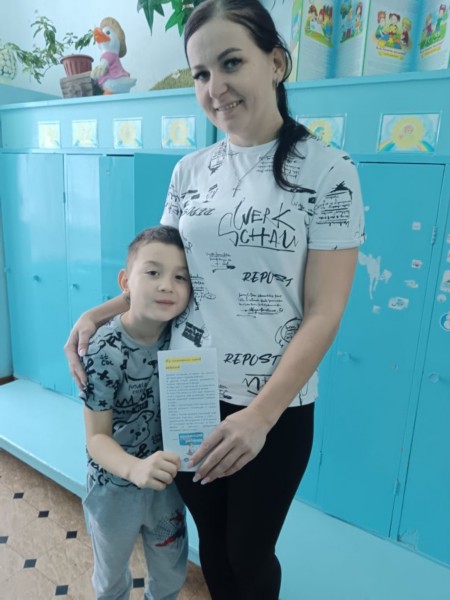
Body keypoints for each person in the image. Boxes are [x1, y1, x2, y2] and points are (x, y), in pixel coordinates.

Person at [65, 1, 365, 598]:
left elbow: (325, 310)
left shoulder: (329, 172)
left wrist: (259, 417)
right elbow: (162, 275)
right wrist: (98, 313)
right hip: (186, 390)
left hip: (272, 409)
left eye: (231, 63)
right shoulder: (190, 171)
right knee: (215, 547)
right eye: (201, 73)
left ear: (275, 62)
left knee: (250, 555)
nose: (214, 88)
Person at [80, 225, 191, 600]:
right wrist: (133, 468)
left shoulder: (184, 338)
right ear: (126, 281)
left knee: (170, 575)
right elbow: (96, 438)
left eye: (181, 277)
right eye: (153, 272)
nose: (167, 286)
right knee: (111, 579)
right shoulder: (103, 350)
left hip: (167, 487)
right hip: (114, 491)